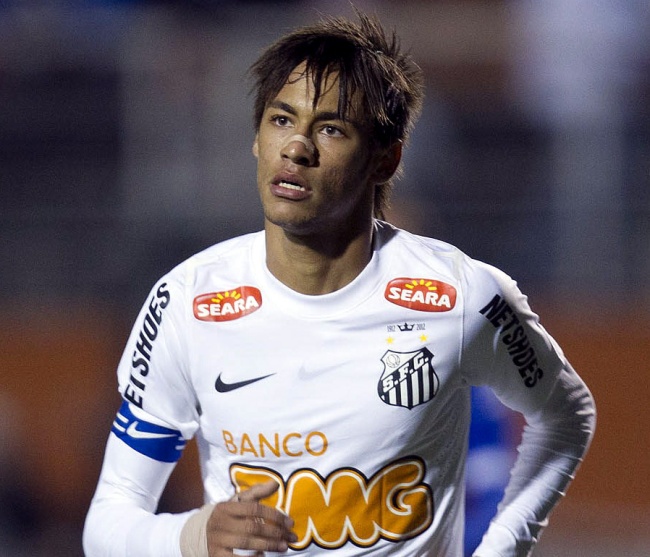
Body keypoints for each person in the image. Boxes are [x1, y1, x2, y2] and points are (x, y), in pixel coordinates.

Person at [83, 10, 596, 557]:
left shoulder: (464, 297)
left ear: (386, 160)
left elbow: (566, 416)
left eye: (330, 128)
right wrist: (191, 535)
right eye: (281, 119)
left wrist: (503, 548)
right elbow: (107, 522)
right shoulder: (187, 301)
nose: (296, 147)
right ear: (256, 140)